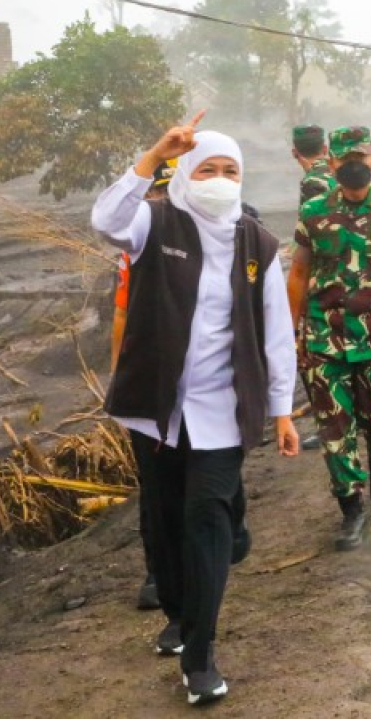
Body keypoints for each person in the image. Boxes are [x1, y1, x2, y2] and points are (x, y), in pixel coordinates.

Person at [92, 111, 299, 707]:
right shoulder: (155, 222)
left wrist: (281, 410)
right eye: (207, 168)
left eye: (231, 170)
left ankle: (202, 655)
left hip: (223, 411)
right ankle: (180, 616)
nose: (220, 178)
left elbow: (276, 333)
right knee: (164, 519)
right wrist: (153, 155)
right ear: (184, 173)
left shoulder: (257, 242)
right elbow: (105, 221)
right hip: (153, 408)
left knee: (204, 517)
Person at [287, 126, 371, 551]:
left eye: (360, 158)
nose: (353, 166)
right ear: (332, 164)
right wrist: (289, 333)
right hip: (324, 339)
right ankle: (351, 509)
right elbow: (298, 273)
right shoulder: (313, 212)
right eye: (345, 160)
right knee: (334, 430)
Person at [109, 159, 175, 613]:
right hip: (151, 380)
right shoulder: (134, 250)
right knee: (154, 485)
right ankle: (159, 572)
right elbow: (120, 315)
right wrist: (119, 381)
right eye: (153, 195)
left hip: (205, 383)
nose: (159, 204)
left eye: (167, 194)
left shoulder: (229, 236)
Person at [293, 124, 335, 206]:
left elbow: (314, 217)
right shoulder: (340, 172)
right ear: (325, 149)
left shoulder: (311, 182)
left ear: (294, 153)